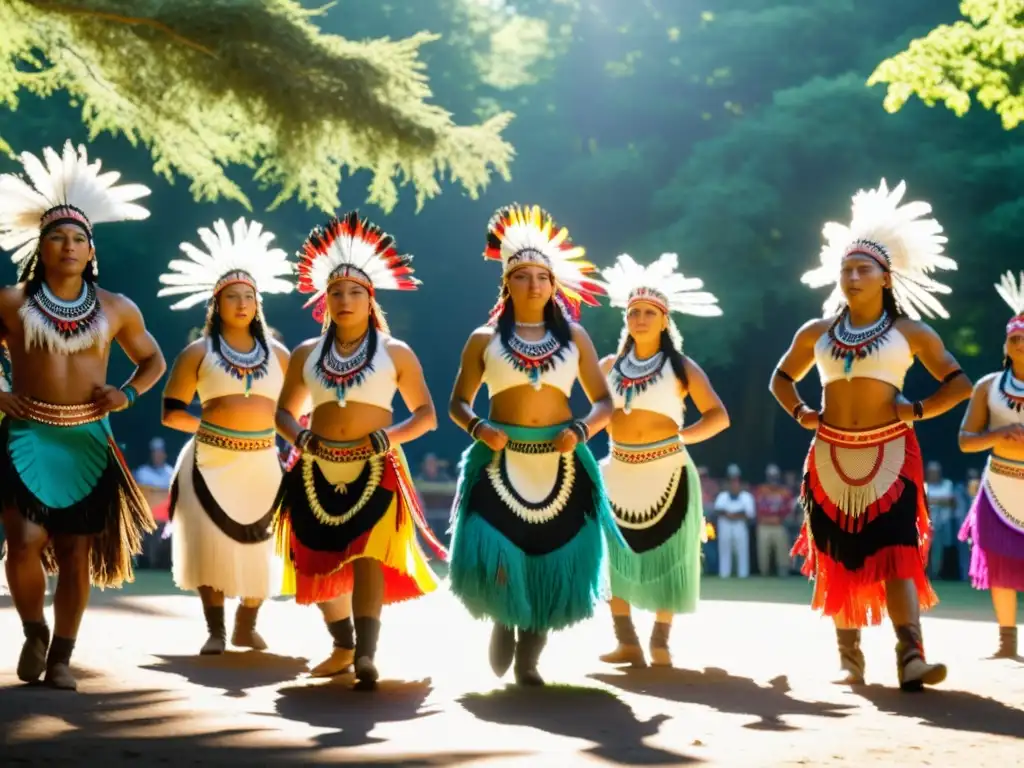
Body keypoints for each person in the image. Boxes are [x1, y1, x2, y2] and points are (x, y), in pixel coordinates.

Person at [769, 179, 972, 691]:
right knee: (839, 557)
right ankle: (849, 659)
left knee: (899, 553)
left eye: (864, 269)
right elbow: (780, 379)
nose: (852, 276)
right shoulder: (816, 333)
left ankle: (911, 657)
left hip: (891, 453)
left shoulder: (911, 333)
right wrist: (801, 414)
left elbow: (960, 384)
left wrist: (917, 410)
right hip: (831, 455)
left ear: (886, 278)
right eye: (846, 269)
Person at [0, 141, 166, 690]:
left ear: (90, 251)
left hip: (89, 440)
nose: (68, 246)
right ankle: (33, 631)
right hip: (26, 433)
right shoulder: (11, 301)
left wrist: (129, 394)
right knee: (23, 542)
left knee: (76, 552)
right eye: (57, 237)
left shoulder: (117, 307)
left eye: (78, 239)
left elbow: (152, 359)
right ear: (40, 247)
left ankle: (63, 658)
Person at [447, 203, 619, 687]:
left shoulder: (576, 337)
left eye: (543, 276)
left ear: (554, 283)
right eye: (523, 276)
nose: (535, 285)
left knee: (550, 554)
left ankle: (529, 658)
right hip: (499, 459)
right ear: (507, 283)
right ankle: (504, 617)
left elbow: (603, 401)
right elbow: (458, 403)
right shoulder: (483, 340)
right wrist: (480, 429)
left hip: (563, 460)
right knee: (504, 549)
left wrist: (582, 430)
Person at [274, 211, 446, 689]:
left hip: (376, 465)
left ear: (370, 300)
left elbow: (426, 416)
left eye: (354, 292)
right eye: (335, 292)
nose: (344, 300)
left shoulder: (396, 351)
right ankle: (343, 643)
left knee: (370, 552)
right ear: (323, 300)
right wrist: (300, 437)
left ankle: (367, 654)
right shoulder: (308, 352)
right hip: (314, 467)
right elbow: (283, 415)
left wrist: (388, 438)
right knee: (313, 555)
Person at [158, 217, 293, 654]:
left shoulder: (282, 355)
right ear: (216, 304)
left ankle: (246, 623)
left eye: (249, 296)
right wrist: (213, 428)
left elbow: (296, 412)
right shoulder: (197, 352)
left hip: (262, 462)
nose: (241, 303)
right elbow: (171, 412)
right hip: (207, 461)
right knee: (209, 543)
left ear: (258, 303)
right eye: (232, 296)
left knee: (262, 546)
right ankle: (215, 629)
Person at [595, 252, 729, 668]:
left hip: (668, 471)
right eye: (633, 312)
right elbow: (597, 417)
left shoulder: (681, 367)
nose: (639, 318)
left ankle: (660, 641)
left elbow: (719, 417)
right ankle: (626, 640)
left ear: (664, 320)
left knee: (670, 555)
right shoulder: (607, 366)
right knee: (616, 555)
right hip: (618, 469)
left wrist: (681, 437)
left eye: (648, 312)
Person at [958, 270, 1024, 658]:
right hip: (999, 484)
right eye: (1015, 339)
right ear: (1006, 344)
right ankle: (1007, 641)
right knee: (999, 561)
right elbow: (965, 441)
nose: (1021, 345)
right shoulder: (988, 387)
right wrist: (998, 435)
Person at [713, 465, 755, 578]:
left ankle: (743, 575)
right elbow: (717, 510)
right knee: (724, 551)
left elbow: (749, 514)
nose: (734, 484)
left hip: (740, 526)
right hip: (725, 526)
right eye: (732, 482)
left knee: (742, 552)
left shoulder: (747, 496)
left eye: (736, 482)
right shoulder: (722, 496)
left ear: (740, 483)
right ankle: (724, 574)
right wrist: (731, 514)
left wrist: (732, 514)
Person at [755, 464, 795, 577]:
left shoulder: (784, 492)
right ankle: (764, 573)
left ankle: (783, 572)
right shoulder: (760, 490)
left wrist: (781, 519)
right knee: (763, 553)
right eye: (771, 476)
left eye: (775, 476)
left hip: (779, 525)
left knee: (782, 551)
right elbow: (757, 508)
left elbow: (789, 510)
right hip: (764, 525)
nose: (773, 478)